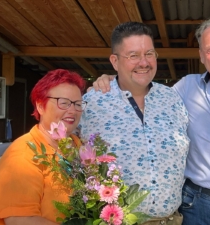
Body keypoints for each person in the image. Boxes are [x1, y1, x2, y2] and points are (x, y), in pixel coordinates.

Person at [91, 17, 210, 225]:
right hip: (194, 205)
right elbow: (144, 87)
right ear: (201, 55)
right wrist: (113, 79)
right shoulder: (184, 89)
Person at [78, 22, 190, 224]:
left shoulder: (172, 99)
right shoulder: (92, 103)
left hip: (172, 220)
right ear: (115, 61)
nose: (144, 62)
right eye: (133, 56)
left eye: (149, 53)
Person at [0, 69, 86, 225]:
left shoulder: (77, 144)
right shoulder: (22, 156)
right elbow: (19, 220)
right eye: (63, 103)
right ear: (41, 106)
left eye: (78, 104)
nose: (72, 110)